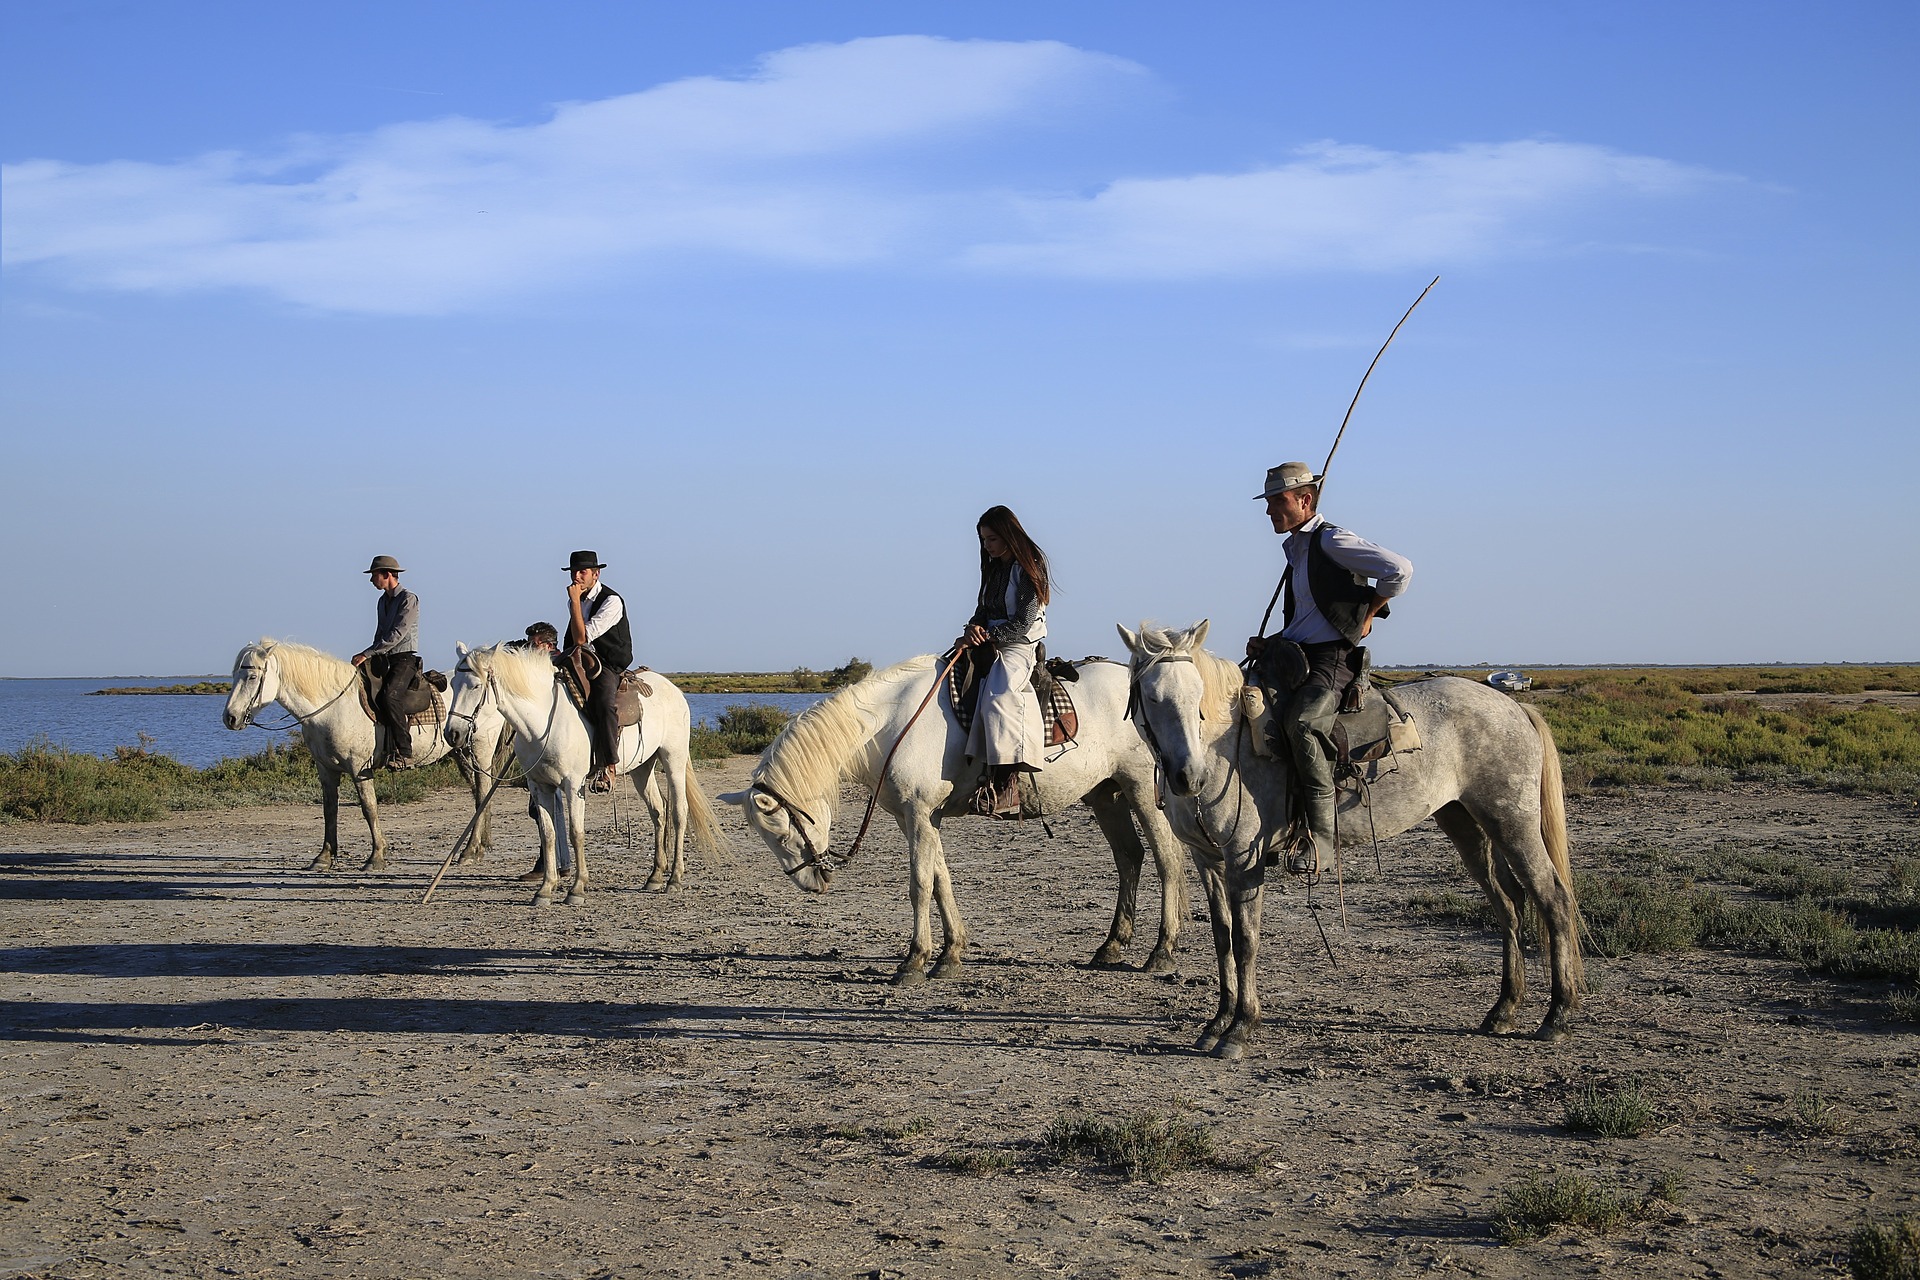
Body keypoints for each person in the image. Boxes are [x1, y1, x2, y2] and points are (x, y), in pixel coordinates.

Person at [1245, 462, 1412, 874]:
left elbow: (1399, 570)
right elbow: (1307, 616)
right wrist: (1274, 642)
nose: (1269, 511)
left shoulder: (1332, 540)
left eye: (1277, 501)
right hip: (1296, 653)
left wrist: (1370, 610)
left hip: (1331, 658)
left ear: (1305, 500)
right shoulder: (1295, 549)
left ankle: (1322, 839)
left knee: (1303, 723)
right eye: (1267, 503)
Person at [958, 505, 1050, 817]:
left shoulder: (1029, 567)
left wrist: (991, 636)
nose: (987, 546)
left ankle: (1007, 781)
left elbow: (1022, 623)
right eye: (984, 540)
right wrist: (973, 629)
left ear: (1010, 536)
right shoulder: (994, 569)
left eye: (992, 539)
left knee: (1000, 694)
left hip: (1019, 645)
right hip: (992, 640)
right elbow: (983, 609)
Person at [563, 551, 631, 794]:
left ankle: (609, 765)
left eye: (583, 572)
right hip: (581, 657)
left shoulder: (612, 601)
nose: (577, 576)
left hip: (609, 662)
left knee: (603, 701)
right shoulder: (578, 598)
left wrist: (573, 603)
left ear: (596, 574)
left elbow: (582, 637)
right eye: (574, 572)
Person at [351, 555, 421, 768]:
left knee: (390, 696)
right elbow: (380, 633)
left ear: (387, 575)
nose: (371, 580)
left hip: (404, 658)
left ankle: (405, 751)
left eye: (374, 575)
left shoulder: (409, 599)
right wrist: (369, 657)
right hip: (384, 657)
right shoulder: (382, 601)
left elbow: (397, 634)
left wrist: (368, 653)